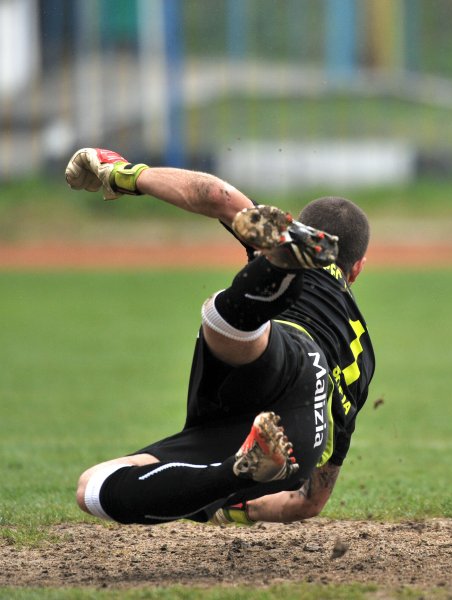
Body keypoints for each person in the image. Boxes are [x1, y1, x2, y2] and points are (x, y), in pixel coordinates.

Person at [65, 147, 375, 525]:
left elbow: (215, 196)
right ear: (357, 269)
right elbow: (309, 503)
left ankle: (280, 268)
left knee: (232, 322)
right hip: (302, 433)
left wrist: (121, 172)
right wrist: (230, 508)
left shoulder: (280, 230)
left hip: (291, 352)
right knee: (92, 487)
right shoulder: (364, 355)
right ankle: (236, 472)